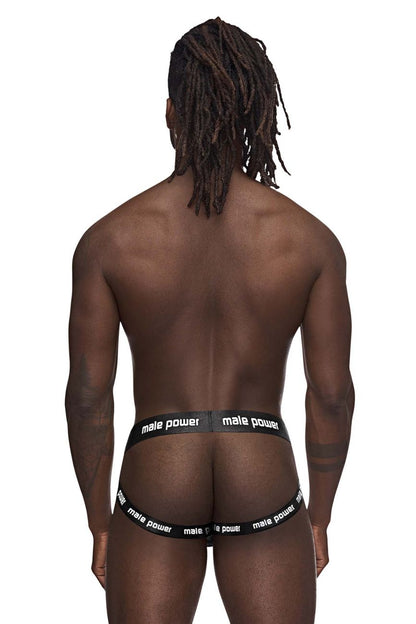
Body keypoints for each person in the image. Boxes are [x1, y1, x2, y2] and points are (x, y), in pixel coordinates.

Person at [65, 16, 354, 624]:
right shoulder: (310, 241)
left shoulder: (110, 240)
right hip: (261, 465)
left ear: (172, 112)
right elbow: (331, 395)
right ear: (255, 114)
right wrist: (320, 518)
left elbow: (89, 397)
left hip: (159, 465)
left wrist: (100, 524)